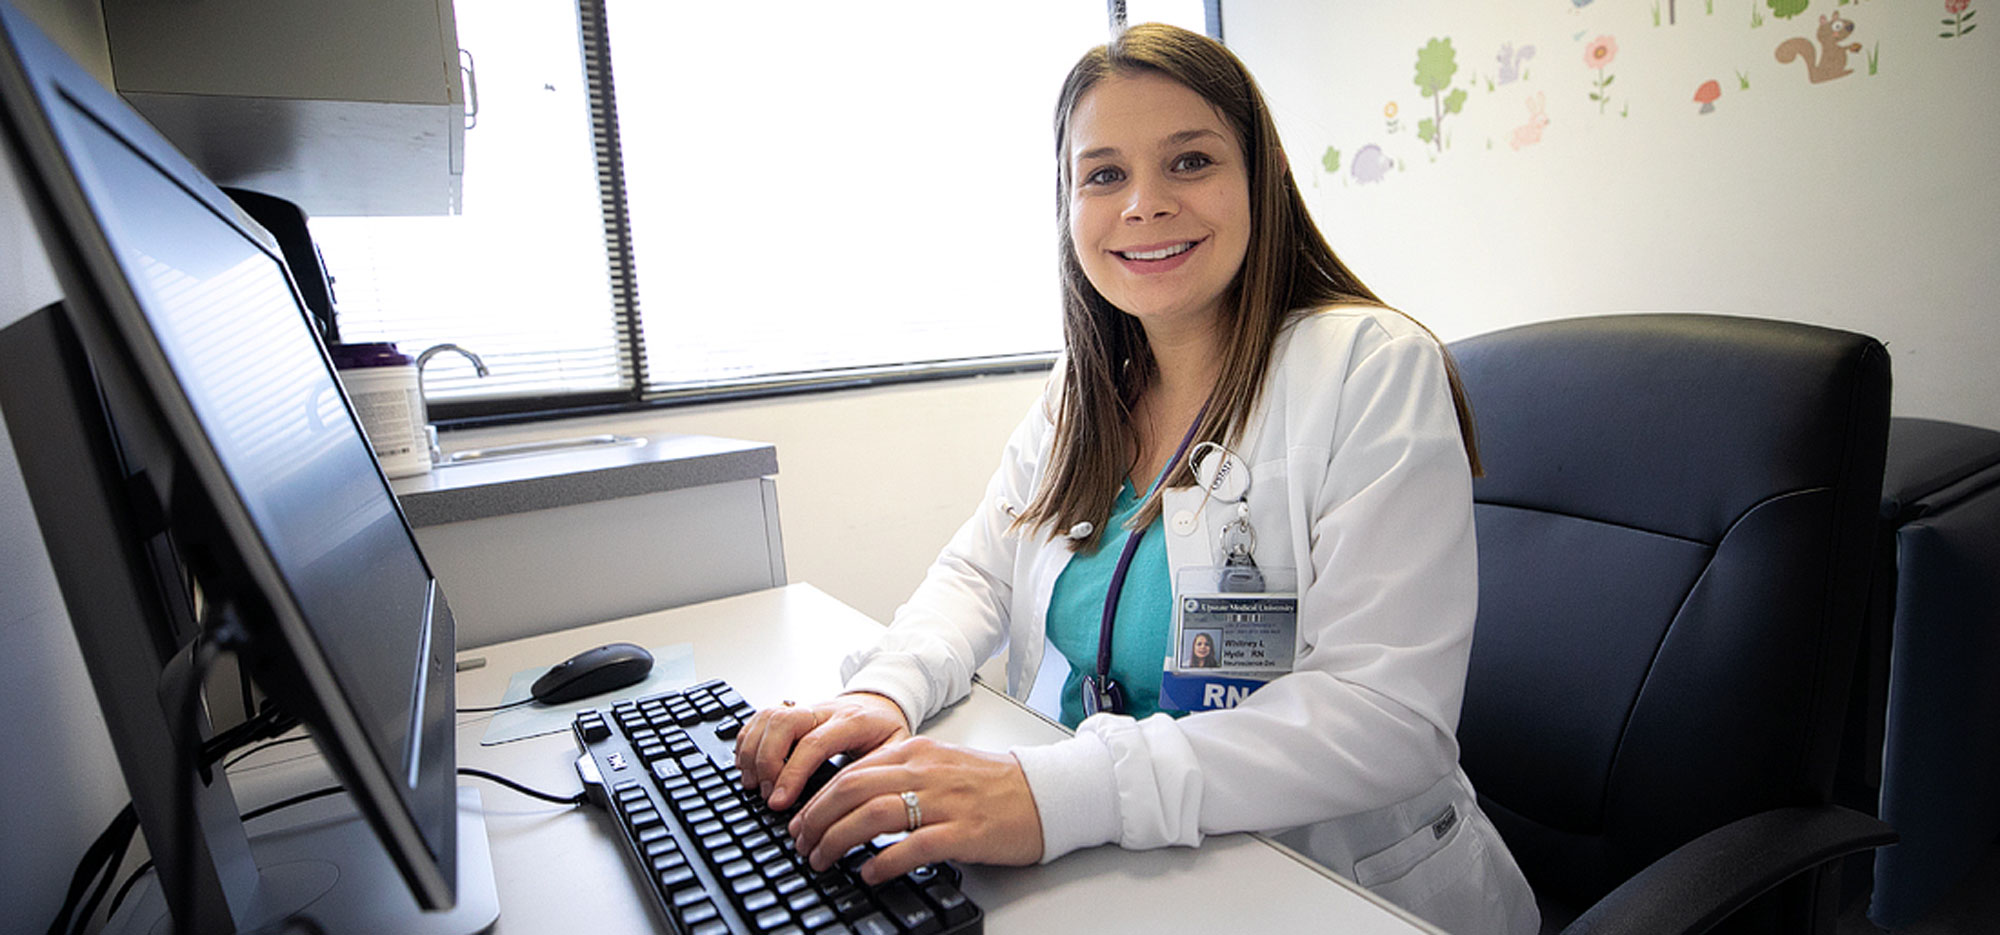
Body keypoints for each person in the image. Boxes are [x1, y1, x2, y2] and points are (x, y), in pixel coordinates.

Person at [734, 23, 1538, 933]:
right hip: (1122, 868)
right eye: (1104, 173)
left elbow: (1385, 714)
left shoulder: (1369, 365)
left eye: (1190, 161)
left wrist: (1057, 793)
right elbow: (977, 574)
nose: (1144, 205)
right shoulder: (1084, 387)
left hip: (1331, 885)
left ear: (1263, 174)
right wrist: (887, 688)